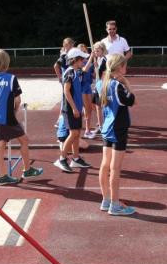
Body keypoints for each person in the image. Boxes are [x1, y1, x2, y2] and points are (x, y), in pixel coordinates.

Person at [0, 49, 44, 185]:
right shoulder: (11, 78)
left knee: (1, 145)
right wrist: (14, 111)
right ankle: (27, 169)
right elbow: (17, 100)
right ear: (6, 63)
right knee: (24, 140)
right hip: (8, 117)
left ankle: (1, 176)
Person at [96, 54, 136, 216]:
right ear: (119, 67)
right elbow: (132, 100)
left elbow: (98, 102)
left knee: (105, 165)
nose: (126, 68)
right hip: (118, 128)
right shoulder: (118, 86)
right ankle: (115, 204)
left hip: (107, 127)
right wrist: (126, 83)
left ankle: (106, 199)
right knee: (115, 168)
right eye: (125, 65)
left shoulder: (101, 84)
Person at [54, 48, 92, 172]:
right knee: (73, 133)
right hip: (70, 109)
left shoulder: (76, 71)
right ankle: (62, 159)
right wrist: (75, 108)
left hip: (76, 108)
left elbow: (85, 69)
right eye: (82, 59)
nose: (83, 61)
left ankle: (75, 158)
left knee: (77, 133)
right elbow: (66, 91)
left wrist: (92, 56)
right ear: (75, 60)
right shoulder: (69, 72)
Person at [78, 43, 97, 139]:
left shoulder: (89, 62)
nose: (83, 53)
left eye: (84, 51)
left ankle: (87, 130)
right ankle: (74, 130)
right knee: (81, 110)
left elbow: (93, 76)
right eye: (81, 51)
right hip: (80, 88)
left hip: (88, 87)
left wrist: (96, 68)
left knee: (88, 109)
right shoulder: (78, 63)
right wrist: (91, 58)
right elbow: (84, 70)